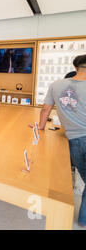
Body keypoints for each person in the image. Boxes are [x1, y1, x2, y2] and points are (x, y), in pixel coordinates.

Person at [31, 54, 86, 227]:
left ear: (75, 67)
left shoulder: (56, 85)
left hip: (75, 139)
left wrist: (40, 127)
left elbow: (45, 109)